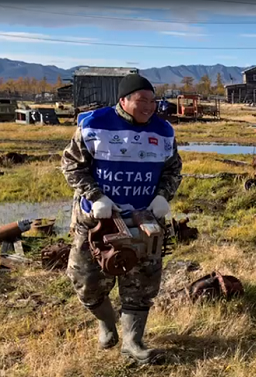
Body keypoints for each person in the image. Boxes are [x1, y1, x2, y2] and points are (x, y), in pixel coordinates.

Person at [60, 73, 182, 365]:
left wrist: (163, 196)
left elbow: (173, 169)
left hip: (144, 222)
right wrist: (95, 196)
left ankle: (133, 342)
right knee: (86, 281)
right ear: (123, 101)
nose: (149, 107)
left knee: (142, 283)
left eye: (153, 101)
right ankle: (106, 322)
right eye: (142, 101)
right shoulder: (93, 125)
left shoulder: (164, 131)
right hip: (98, 220)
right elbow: (72, 165)